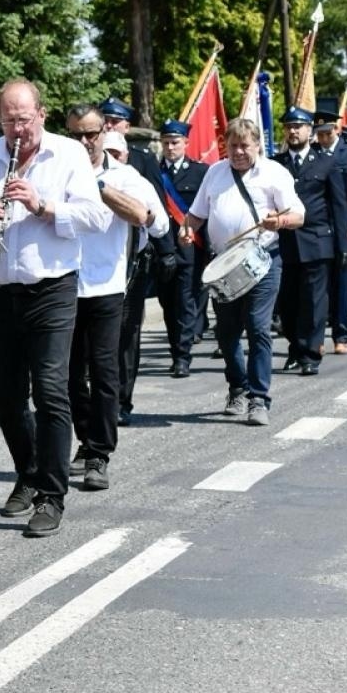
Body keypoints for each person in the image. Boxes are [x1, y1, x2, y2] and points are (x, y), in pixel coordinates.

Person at [0, 81, 106, 538]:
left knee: (50, 391)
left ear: (42, 115)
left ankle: (51, 494)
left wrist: (43, 204)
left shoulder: (67, 155)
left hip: (52, 287)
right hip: (0, 287)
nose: (16, 129)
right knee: (6, 394)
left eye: (24, 120)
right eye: (9, 120)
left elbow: (95, 217)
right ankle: (28, 471)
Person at [180, 118, 304, 426]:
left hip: (262, 260)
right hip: (224, 264)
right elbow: (196, 214)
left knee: (258, 326)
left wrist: (280, 222)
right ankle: (237, 387)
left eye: (244, 146)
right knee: (227, 332)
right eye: (232, 146)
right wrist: (186, 230)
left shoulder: (275, 173)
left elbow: (299, 215)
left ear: (257, 145)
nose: (237, 152)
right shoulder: (215, 172)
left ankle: (259, 398)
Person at [66, 118, 165, 494]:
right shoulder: (57, 172)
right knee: (68, 375)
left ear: (102, 136)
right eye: (76, 134)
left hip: (108, 285)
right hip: (62, 286)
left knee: (105, 370)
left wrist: (107, 193)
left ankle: (98, 455)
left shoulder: (125, 176)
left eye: (91, 134)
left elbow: (158, 225)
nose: (84, 141)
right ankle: (86, 436)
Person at [95, 97, 178, 425]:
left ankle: (121, 401)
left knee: (127, 335)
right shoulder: (77, 166)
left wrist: (166, 249)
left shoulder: (141, 165)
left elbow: (159, 211)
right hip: (94, 266)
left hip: (134, 263)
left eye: (117, 155)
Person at [274, 107, 347, 377]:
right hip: (283, 243)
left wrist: (344, 247)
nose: (293, 131)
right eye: (289, 126)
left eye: (299, 126)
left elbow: (339, 207)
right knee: (287, 303)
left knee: (314, 302)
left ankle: (309, 353)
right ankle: (295, 348)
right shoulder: (275, 163)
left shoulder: (326, 162)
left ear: (310, 130)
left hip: (317, 242)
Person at [154, 120, 208, 378]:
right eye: (165, 143)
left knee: (185, 302)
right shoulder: (152, 171)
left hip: (189, 249)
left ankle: (182, 357)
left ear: (186, 143)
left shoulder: (200, 172)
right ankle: (176, 348)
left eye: (175, 142)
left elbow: (206, 212)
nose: (170, 147)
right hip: (161, 250)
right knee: (168, 304)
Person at [313, 112, 347, 355]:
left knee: (342, 282)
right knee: (318, 284)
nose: (323, 139)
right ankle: (317, 337)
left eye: (327, 133)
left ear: (337, 129)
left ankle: (341, 335)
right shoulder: (313, 153)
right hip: (318, 226)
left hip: (343, 226)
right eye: (320, 134)